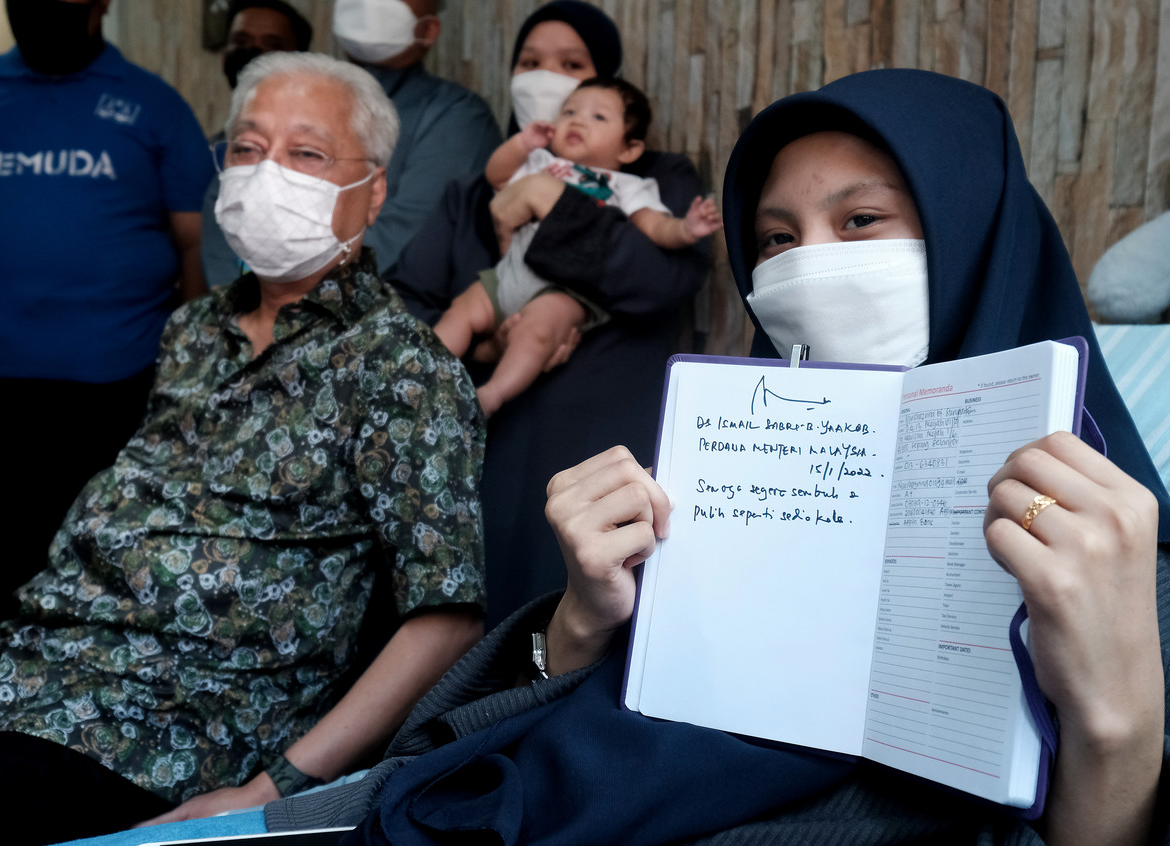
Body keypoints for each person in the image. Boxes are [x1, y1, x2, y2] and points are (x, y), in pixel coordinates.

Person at [180, 68, 1165, 846]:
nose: (804, 267)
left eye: (860, 222)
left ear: (977, 236)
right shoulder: (710, 487)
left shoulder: (1109, 548)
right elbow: (489, 743)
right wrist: (577, 624)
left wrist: (1114, 727)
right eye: (773, 241)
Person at [0, 52, 486, 845]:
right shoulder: (193, 331)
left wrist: (279, 787)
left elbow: (446, 616)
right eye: (246, 147)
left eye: (306, 153)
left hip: (173, 724)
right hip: (39, 661)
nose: (266, 172)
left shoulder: (402, 369)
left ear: (372, 192)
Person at [0, 0, 215, 650]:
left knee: (98, 571)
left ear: (99, 5)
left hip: (109, 393)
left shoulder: (152, 105)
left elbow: (196, 243)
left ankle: (77, 723)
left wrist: (200, 367)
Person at [391, 0, 712, 625]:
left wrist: (552, 201)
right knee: (457, 622)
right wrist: (487, 349)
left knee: (566, 621)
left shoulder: (653, 181)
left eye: (572, 64)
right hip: (467, 457)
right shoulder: (475, 191)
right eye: (531, 62)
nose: (548, 79)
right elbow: (406, 302)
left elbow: (658, 281)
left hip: (594, 450)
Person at [433, 77, 721, 416]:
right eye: (569, 111)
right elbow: (497, 176)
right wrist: (522, 144)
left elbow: (654, 226)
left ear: (629, 149)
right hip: (509, 275)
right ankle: (425, 369)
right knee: (461, 312)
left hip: (566, 291)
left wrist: (686, 229)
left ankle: (492, 395)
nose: (578, 120)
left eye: (598, 117)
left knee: (537, 335)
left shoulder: (627, 185)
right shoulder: (542, 162)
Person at [332, 0, 503, 278]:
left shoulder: (457, 116)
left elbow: (404, 239)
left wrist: (288, 281)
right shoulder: (296, 97)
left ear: (429, 29)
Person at [202, 0, 313, 290]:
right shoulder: (206, 154)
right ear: (225, 56)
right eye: (241, 41)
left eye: (271, 45)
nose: (252, 52)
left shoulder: (317, 161)